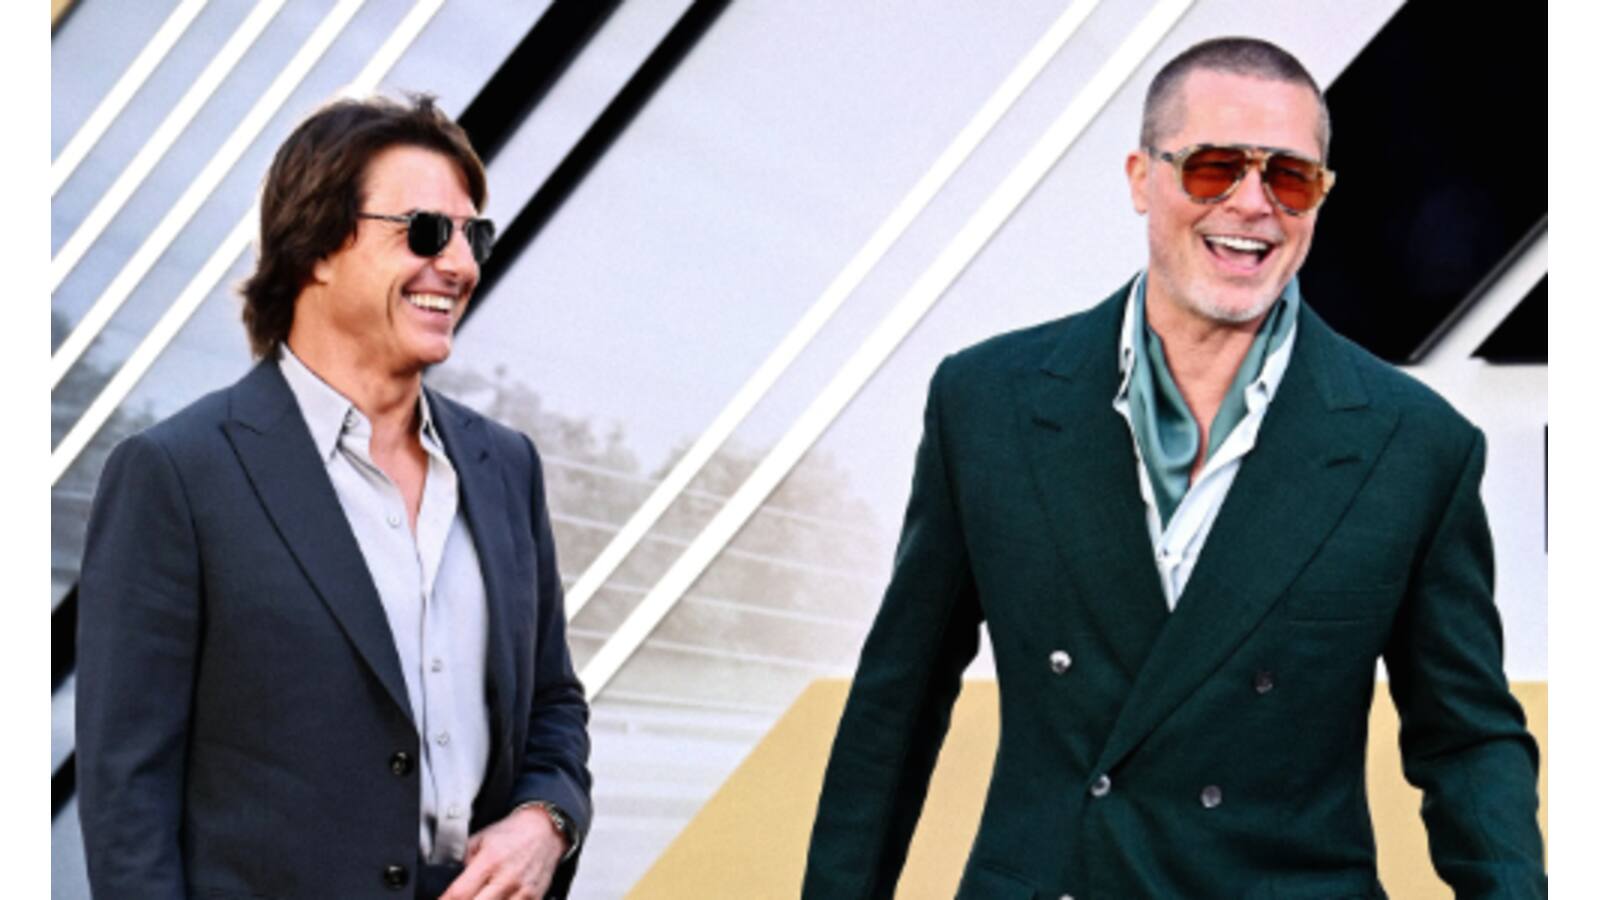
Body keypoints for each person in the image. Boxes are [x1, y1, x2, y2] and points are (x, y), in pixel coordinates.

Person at [803, 37, 1544, 899]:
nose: (1253, 204)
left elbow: (1466, 741)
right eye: (1213, 168)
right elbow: (897, 705)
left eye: (1290, 178)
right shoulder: (988, 403)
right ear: (1140, 177)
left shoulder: (1416, 446)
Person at [76, 94, 592, 900]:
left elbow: (553, 703)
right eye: (427, 231)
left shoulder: (506, 467)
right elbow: (127, 800)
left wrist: (545, 821)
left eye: (473, 236)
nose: (460, 265)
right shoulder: (176, 474)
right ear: (317, 246)